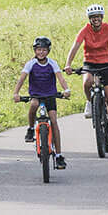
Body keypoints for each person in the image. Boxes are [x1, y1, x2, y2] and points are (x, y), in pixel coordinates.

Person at [67, 3, 108, 145]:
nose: (96, 19)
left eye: (98, 17)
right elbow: (75, 46)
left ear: (102, 17)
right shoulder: (85, 30)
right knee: (87, 82)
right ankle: (90, 102)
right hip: (90, 62)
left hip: (107, 63)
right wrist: (68, 64)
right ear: (89, 19)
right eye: (93, 17)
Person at [13, 36, 67, 171]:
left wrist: (66, 90)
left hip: (50, 95)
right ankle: (31, 129)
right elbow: (22, 78)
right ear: (35, 51)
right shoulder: (30, 64)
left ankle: (59, 155)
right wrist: (16, 93)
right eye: (38, 50)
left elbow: (60, 77)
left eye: (43, 50)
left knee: (54, 121)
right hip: (36, 94)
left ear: (48, 51)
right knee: (33, 105)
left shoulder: (52, 63)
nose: (41, 52)